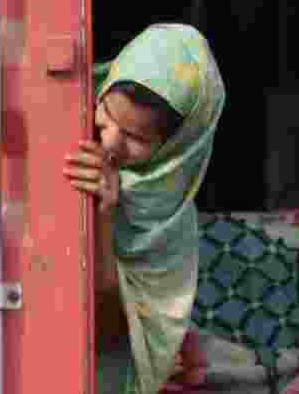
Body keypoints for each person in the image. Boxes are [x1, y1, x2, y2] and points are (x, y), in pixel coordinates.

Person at [63, 24, 226, 394]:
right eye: (106, 114)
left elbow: (104, 331)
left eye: (136, 138)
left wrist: (104, 215)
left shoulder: (169, 228)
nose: (110, 144)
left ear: (178, 146)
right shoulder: (62, 134)